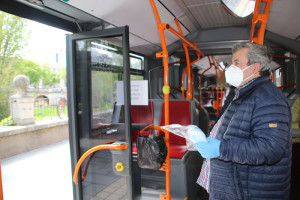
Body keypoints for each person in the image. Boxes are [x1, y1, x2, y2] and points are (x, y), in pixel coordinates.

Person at [194, 42, 292, 200]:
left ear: (255, 67)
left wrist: (222, 148)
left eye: (236, 63)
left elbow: (270, 148)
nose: (230, 67)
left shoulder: (268, 97)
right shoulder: (237, 93)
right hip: (230, 186)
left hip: (247, 191)